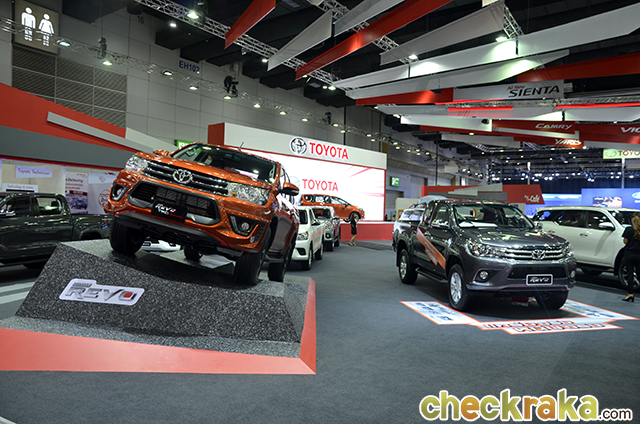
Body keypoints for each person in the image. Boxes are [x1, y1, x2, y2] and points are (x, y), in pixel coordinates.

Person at [621, 214, 640, 302]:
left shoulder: (628, 229)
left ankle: (630, 294)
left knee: (630, 274)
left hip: (629, 254)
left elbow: (625, 242)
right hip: (638, 254)